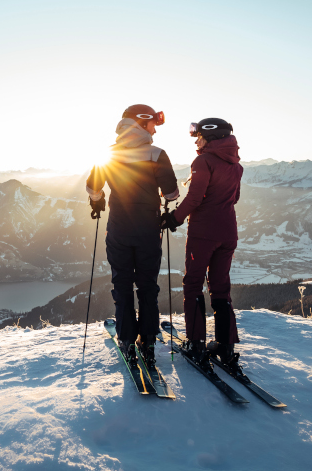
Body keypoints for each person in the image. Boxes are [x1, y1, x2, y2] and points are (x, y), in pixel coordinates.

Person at [87, 104, 179, 368]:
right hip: (148, 231)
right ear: (141, 123)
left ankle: (127, 339)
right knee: (148, 285)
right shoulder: (156, 153)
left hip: (118, 229)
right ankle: (148, 339)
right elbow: (172, 193)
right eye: (153, 125)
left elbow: (93, 187)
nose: (155, 130)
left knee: (122, 284)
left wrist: (98, 200)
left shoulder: (109, 154)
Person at [161, 118, 243, 371]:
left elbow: (195, 198)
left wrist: (173, 218)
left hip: (203, 234)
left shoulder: (203, 161)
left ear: (210, 136)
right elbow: (235, 198)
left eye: (198, 136)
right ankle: (225, 346)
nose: (196, 140)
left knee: (193, 284)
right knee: (221, 288)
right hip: (228, 232)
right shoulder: (236, 165)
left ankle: (196, 343)